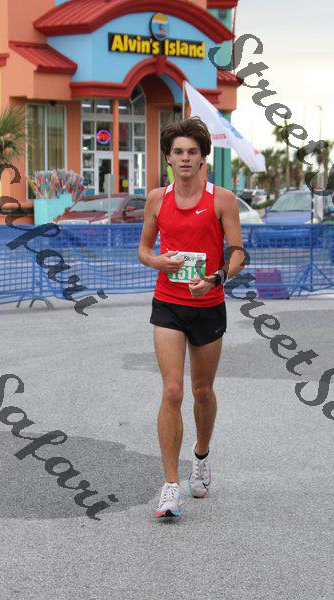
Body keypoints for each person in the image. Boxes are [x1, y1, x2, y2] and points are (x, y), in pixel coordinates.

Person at [138, 116, 245, 519]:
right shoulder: (156, 199)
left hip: (208, 304)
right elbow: (144, 250)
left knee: (201, 392)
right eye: (178, 152)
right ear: (168, 158)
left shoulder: (222, 199)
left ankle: (200, 456)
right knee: (172, 392)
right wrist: (159, 262)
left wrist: (217, 278)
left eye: (192, 152)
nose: (185, 158)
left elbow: (238, 253)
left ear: (203, 158)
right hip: (168, 303)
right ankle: (170, 486)